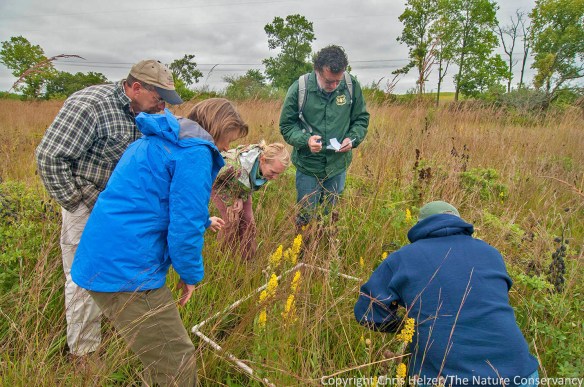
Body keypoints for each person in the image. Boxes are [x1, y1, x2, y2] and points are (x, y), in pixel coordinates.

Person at [70, 99, 248, 385]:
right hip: (128, 271)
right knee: (175, 358)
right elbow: (183, 226)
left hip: (102, 258)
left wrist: (204, 219)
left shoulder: (152, 141)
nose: (227, 149)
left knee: (158, 359)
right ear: (217, 129)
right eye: (228, 140)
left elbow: (156, 198)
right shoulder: (195, 153)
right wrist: (190, 274)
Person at [35, 59, 183, 362]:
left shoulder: (147, 111)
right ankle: (85, 354)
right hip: (87, 205)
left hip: (123, 213)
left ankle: (123, 330)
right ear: (136, 87)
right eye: (159, 98)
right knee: (82, 279)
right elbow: (50, 158)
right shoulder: (91, 105)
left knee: (118, 274)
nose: (161, 107)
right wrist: (76, 204)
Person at [354, 201, 539, 387]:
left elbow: (368, 312)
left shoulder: (403, 257)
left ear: (419, 225)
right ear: (459, 221)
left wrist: (406, 328)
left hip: (446, 378)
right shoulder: (491, 253)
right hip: (520, 374)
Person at [279, 45, 369, 229]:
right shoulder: (300, 89)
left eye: (338, 81)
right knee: (306, 216)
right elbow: (287, 126)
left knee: (330, 218)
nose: (334, 86)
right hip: (308, 167)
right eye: (329, 81)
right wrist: (306, 141)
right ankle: (303, 250)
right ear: (317, 71)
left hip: (337, 166)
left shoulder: (351, 86)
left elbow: (361, 119)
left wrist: (352, 139)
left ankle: (325, 249)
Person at [211, 141, 290, 260]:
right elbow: (214, 181)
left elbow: (249, 184)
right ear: (262, 160)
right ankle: (223, 259)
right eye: (273, 172)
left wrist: (240, 197)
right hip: (220, 185)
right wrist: (230, 201)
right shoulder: (234, 166)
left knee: (248, 223)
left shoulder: (264, 169)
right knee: (231, 221)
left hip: (239, 186)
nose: (275, 178)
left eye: (278, 174)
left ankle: (247, 260)